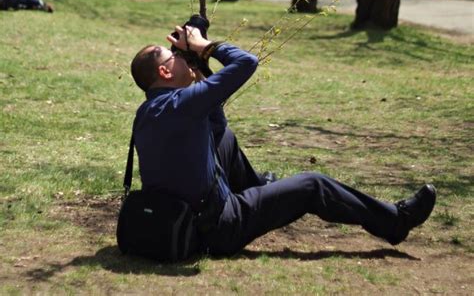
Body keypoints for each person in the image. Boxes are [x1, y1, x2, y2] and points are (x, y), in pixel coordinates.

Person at [130, 24, 436, 258]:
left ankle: (259, 190)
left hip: (178, 216)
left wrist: (199, 68)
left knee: (224, 139)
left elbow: (216, 126)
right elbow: (247, 62)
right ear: (164, 70)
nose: (183, 58)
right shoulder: (184, 104)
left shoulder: (148, 112)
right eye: (176, 56)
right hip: (218, 228)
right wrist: (205, 46)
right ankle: (395, 221)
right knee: (313, 185)